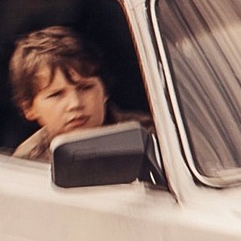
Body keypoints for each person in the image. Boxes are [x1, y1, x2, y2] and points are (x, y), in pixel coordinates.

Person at [9, 25, 143, 160]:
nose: (75, 104)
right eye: (56, 94)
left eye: (85, 88)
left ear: (105, 92)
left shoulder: (150, 138)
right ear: (28, 108)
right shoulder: (27, 161)